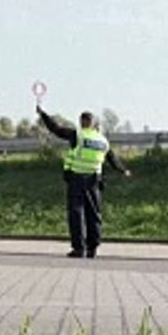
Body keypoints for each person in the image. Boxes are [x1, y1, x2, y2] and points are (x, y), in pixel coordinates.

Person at [36, 106, 131, 258]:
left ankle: (79, 248)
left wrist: (43, 115)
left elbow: (56, 129)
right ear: (93, 123)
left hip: (77, 179)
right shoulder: (102, 140)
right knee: (94, 213)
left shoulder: (77, 135)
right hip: (95, 181)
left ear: (82, 122)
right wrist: (123, 170)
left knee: (76, 214)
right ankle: (93, 247)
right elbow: (112, 158)